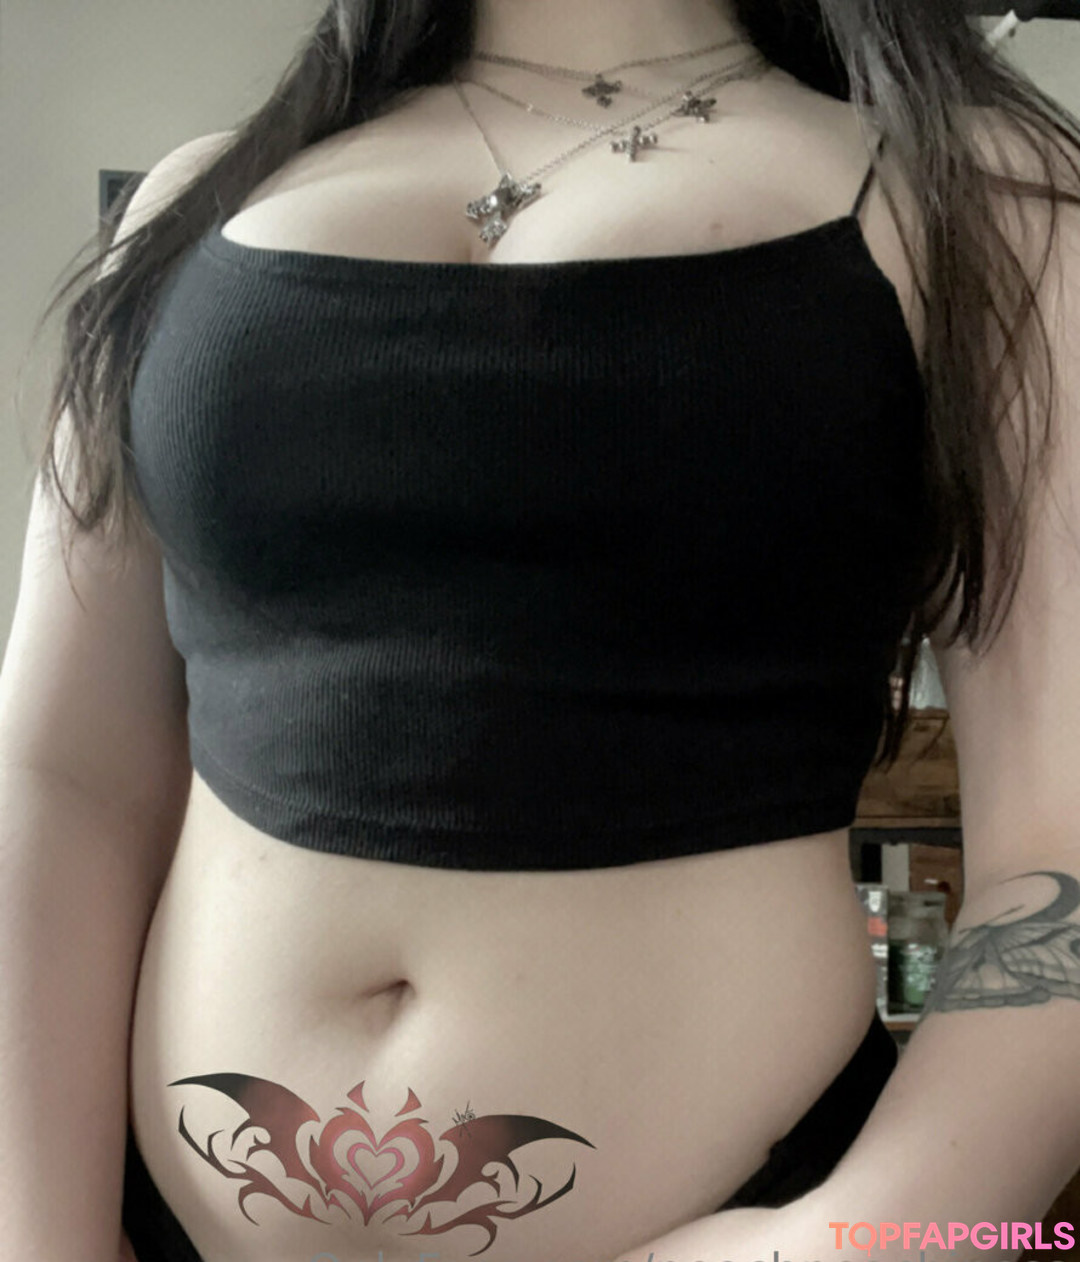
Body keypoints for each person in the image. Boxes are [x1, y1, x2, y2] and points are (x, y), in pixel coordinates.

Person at [4, 1, 1080, 1260]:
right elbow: (63, 772)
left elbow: (1061, 842)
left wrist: (868, 1239)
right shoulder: (189, 207)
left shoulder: (983, 198)